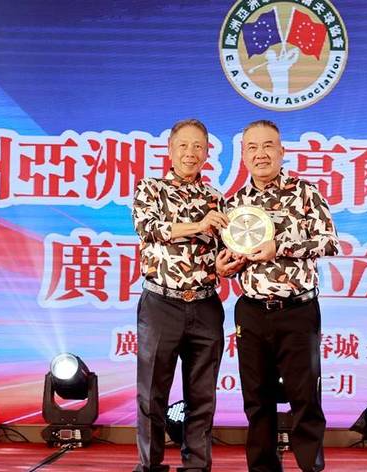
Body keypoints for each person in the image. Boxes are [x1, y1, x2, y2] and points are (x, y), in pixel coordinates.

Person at [217, 119, 339, 472]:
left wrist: (280, 246)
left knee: (304, 396)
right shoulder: (234, 204)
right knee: (257, 399)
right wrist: (224, 267)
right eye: (252, 148)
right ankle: (262, 468)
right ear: (243, 156)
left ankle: (310, 466)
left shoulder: (305, 192)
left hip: (297, 310)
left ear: (282, 151)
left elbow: (329, 242)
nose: (261, 154)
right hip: (251, 312)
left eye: (268, 146)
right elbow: (232, 256)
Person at [132, 118, 240, 472]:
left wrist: (226, 266)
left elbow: (223, 252)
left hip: (206, 304)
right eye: (183, 145)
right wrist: (199, 224)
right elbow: (149, 229)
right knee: (152, 393)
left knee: (202, 395)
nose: (190, 153)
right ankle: (149, 465)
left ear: (207, 153)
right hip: (161, 303)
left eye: (198, 147)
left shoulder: (217, 199)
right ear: (170, 150)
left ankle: (197, 465)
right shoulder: (150, 189)